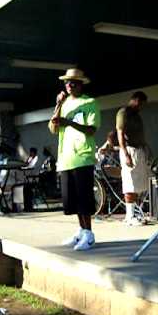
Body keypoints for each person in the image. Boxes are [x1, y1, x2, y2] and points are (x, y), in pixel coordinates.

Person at [48, 68, 101, 251]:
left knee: (84, 199)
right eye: (66, 82)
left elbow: (92, 130)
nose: (68, 85)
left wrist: (69, 122)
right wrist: (58, 105)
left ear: (81, 84)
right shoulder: (63, 104)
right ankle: (81, 230)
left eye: (73, 82)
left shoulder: (90, 103)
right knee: (72, 200)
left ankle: (89, 234)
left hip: (82, 157)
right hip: (65, 158)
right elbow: (53, 128)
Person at [116, 91, 150, 226]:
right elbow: (120, 133)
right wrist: (126, 154)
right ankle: (129, 216)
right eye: (141, 104)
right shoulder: (123, 113)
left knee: (139, 185)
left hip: (139, 149)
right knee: (130, 183)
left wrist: (146, 148)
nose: (141, 107)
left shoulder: (137, 115)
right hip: (129, 150)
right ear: (136, 100)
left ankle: (135, 213)